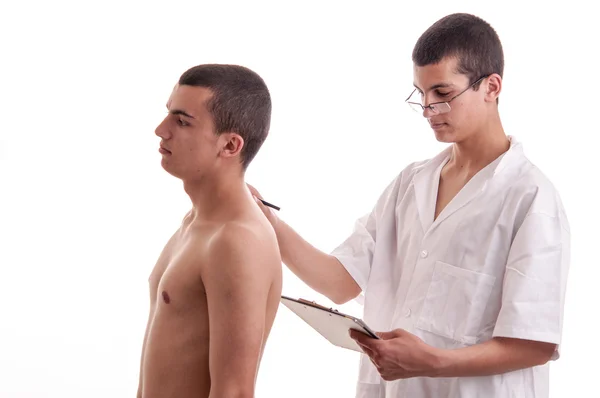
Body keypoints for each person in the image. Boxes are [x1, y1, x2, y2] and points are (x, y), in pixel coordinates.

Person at [249, 13, 570, 398]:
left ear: (491, 86)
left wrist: (432, 361)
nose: (427, 109)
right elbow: (339, 282)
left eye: (442, 93)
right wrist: (266, 220)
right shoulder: (411, 183)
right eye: (421, 94)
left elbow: (533, 343)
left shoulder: (531, 198)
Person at [137, 64, 282, 398]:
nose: (161, 130)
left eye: (182, 121)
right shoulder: (196, 222)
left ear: (230, 146)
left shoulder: (236, 241)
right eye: (167, 114)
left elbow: (234, 392)